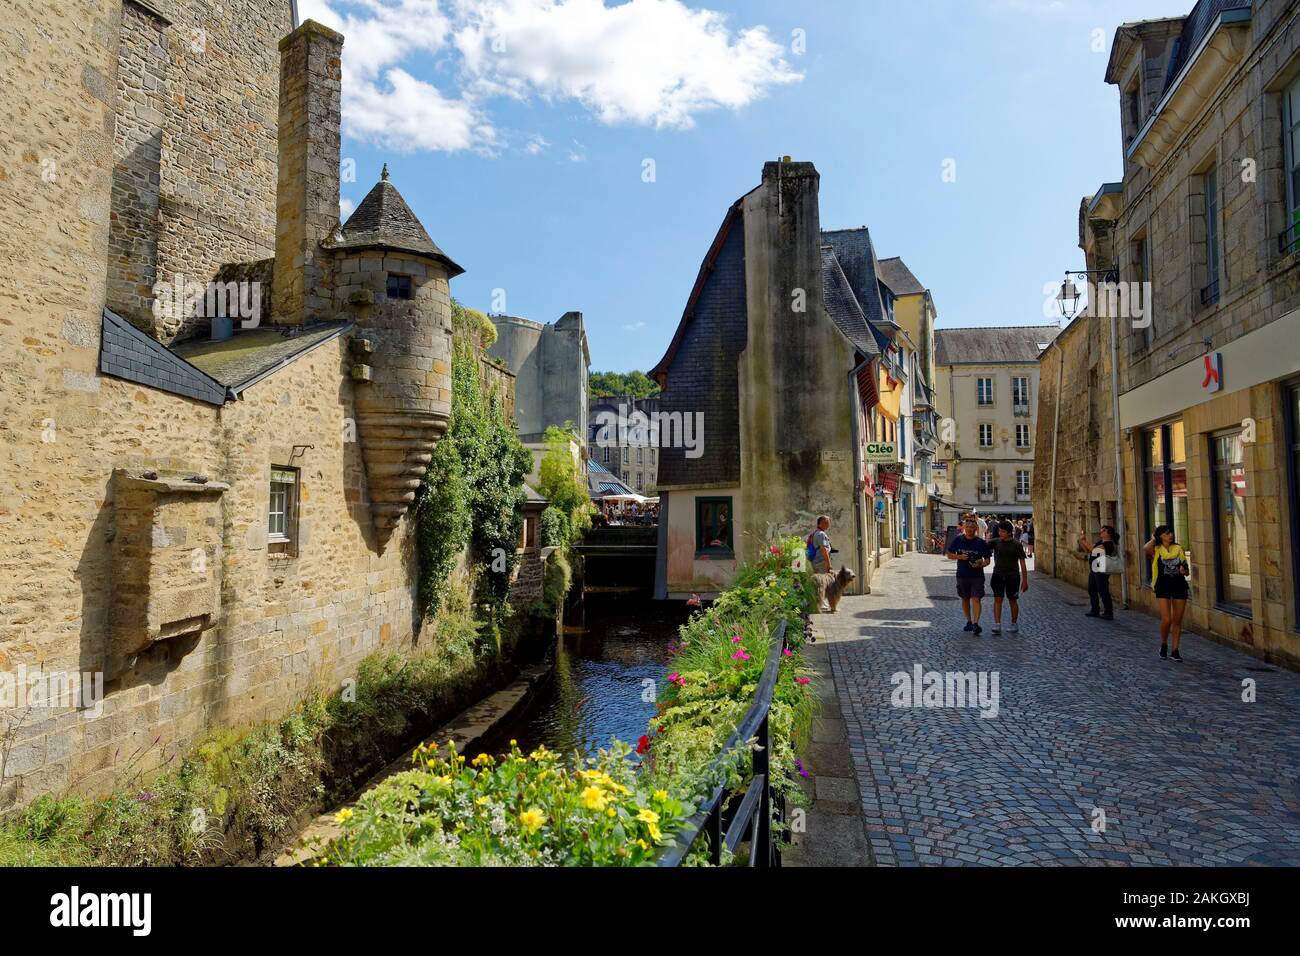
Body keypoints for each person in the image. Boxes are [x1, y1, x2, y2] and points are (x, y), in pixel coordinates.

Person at [1145, 524, 1191, 662]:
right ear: (1160, 536)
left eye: (1170, 532)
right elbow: (1145, 548)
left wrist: (1184, 571)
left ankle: (1175, 650)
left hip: (1179, 585)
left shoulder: (1179, 549)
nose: (1170, 535)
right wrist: (1154, 538)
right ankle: (1164, 643)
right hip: (1163, 586)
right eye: (1166, 533)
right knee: (1167, 619)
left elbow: (1186, 569)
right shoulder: (1156, 550)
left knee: (1177, 620)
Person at [947, 515, 992, 635]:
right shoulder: (958, 540)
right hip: (962, 574)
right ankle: (969, 621)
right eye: (967, 527)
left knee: (976, 599)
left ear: (976, 529)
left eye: (972, 528)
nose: (969, 529)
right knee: (965, 598)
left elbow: (987, 560)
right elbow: (949, 554)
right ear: (964, 528)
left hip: (977, 576)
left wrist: (980, 564)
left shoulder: (981, 542)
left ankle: (976, 624)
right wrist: (959, 557)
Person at [989, 520, 1029, 635]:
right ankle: (997, 624)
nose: (1000, 533)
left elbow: (1022, 563)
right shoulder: (996, 542)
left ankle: (1014, 623)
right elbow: (981, 545)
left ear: (1009, 532)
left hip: (1013, 576)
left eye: (1002, 531)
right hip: (997, 575)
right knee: (998, 599)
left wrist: (1025, 581)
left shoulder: (1017, 545)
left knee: (1012, 600)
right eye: (999, 531)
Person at [1078, 524, 1119, 620]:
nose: (1101, 531)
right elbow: (1088, 550)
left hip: (1101, 569)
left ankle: (1108, 612)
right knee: (1091, 589)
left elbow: (1094, 550)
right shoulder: (1100, 542)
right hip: (1094, 568)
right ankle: (1095, 609)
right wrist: (1082, 541)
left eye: (1103, 530)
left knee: (1103, 590)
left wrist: (1084, 541)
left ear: (1109, 533)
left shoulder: (1108, 544)